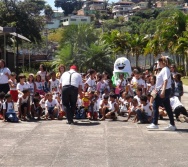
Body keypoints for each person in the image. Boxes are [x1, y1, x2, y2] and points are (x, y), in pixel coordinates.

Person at [147, 56, 176, 130]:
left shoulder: (165, 69)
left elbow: (165, 80)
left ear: (163, 62)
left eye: (159, 62)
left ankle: (155, 123)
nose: (158, 63)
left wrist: (162, 91)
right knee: (168, 108)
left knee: (155, 105)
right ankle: (172, 124)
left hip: (164, 90)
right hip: (165, 90)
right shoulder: (163, 70)